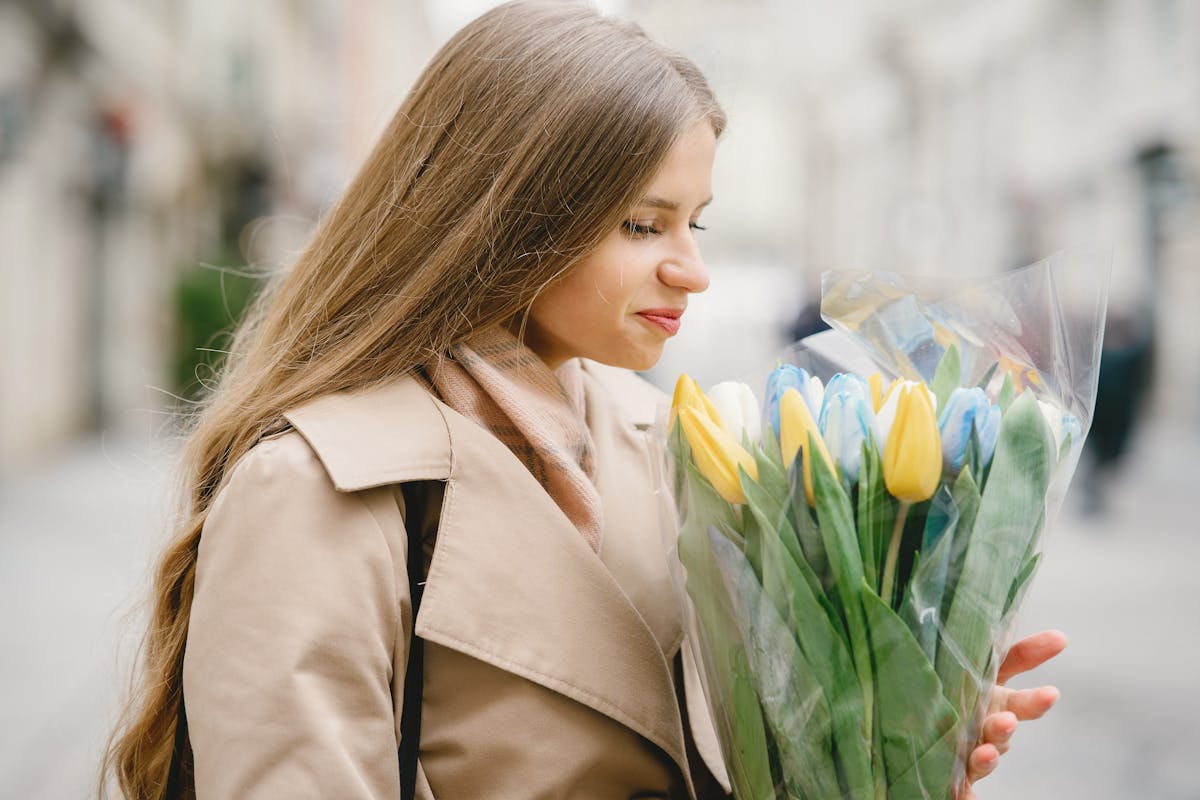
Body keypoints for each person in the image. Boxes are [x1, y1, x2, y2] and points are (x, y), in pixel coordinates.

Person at [103, 2, 1066, 798]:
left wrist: (885, 730)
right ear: (507, 212)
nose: (691, 270)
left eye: (697, 222)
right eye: (644, 224)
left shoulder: (668, 447)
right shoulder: (323, 488)